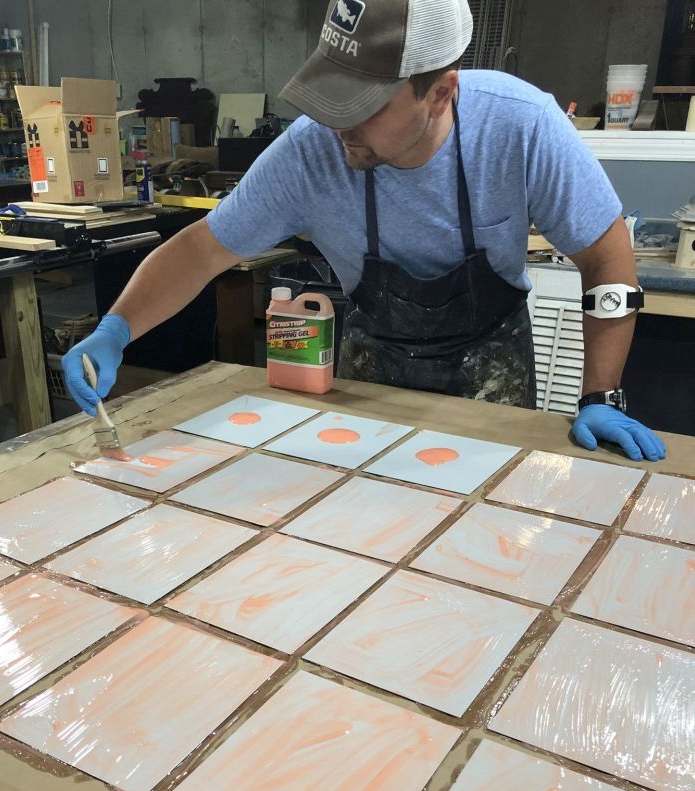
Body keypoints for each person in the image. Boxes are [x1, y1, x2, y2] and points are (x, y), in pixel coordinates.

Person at [63, 0, 665, 463]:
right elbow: (200, 252)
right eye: (331, 97)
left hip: (493, 367)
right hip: (370, 367)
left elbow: (608, 258)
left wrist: (600, 396)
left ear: (440, 91)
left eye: (364, 106)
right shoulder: (310, 153)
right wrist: (117, 330)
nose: (337, 123)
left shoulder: (521, 128)